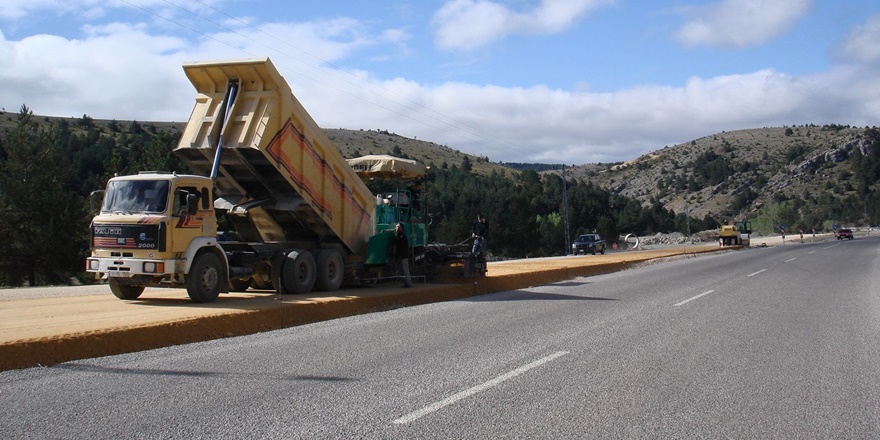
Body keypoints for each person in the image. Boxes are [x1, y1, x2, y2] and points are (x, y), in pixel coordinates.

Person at [394, 222, 413, 288]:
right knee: (402, 270)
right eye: (396, 226)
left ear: (401, 228)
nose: (397, 228)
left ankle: (408, 283)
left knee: (405, 270)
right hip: (401, 256)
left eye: (398, 227)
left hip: (403, 256)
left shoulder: (402, 236)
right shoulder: (399, 235)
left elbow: (401, 247)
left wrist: (399, 255)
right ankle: (406, 283)